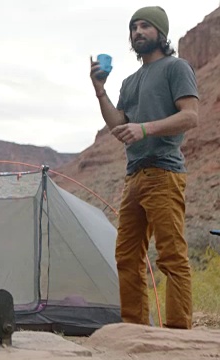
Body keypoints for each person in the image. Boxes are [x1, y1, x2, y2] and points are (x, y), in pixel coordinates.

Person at [89, 6, 199, 329]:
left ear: (160, 33)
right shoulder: (129, 82)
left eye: (145, 26)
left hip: (164, 172)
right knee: (126, 256)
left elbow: (191, 116)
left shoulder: (176, 68)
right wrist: (100, 90)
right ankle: (134, 329)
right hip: (134, 175)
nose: (138, 32)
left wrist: (145, 129)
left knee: (171, 256)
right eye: (134, 27)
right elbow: (118, 125)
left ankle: (178, 334)